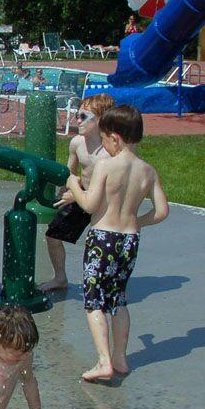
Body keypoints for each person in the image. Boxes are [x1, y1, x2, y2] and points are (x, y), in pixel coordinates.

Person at [63, 105, 169, 382]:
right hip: (130, 240)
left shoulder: (106, 166)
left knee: (94, 302)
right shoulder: (148, 171)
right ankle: (121, 358)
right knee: (118, 299)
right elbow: (161, 212)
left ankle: (103, 361)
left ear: (115, 138)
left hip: (103, 238)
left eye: (106, 138)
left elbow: (89, 205)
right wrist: (136, 222)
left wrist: (73, 184)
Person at [40, 93, 115, 292]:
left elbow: (113, 188)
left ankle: (105, 280)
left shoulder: (111, 151)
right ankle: (60, 278)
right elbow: (70, 173)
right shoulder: (77, 144)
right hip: (82, 196)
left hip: (106, 201)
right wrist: (63, 194)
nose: (77, 120)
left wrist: (77, 194)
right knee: (53, 235)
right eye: (77, 114)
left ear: (102, 120)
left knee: (102, 242)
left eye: (83, 116)